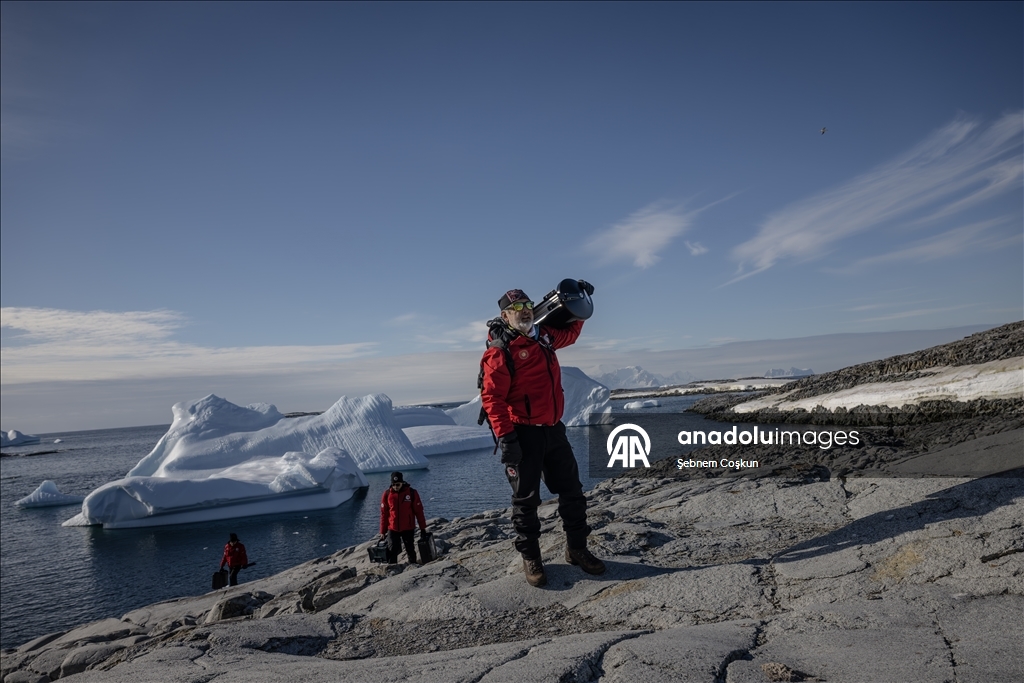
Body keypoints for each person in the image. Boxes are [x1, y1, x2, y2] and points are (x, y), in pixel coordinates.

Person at [479, 284, 605, 588]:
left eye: (526, 306)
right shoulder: (500, 351)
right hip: (522, 433)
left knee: (572, 492)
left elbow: (571, 333)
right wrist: (507, 439)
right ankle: (531, 558)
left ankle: (576, 549)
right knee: (526, 501)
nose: (523, 312)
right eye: (515, 309)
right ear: (505, 315)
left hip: (553, 429)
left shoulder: (545, 336)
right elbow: (492, 399)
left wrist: (580, 302)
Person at [379, 472, 427, 564]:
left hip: (408, 527)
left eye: (398, 484)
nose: (395, 487)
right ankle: (393, 571)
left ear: (402, 482)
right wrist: (382, 531)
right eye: (393, 485)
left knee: (410, 549)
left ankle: (412, 567)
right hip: (392, 528)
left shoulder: (412, 493)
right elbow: (384, 514)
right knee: (392, 550)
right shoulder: (387, 494)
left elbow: (419, 511)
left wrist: (423, 528)